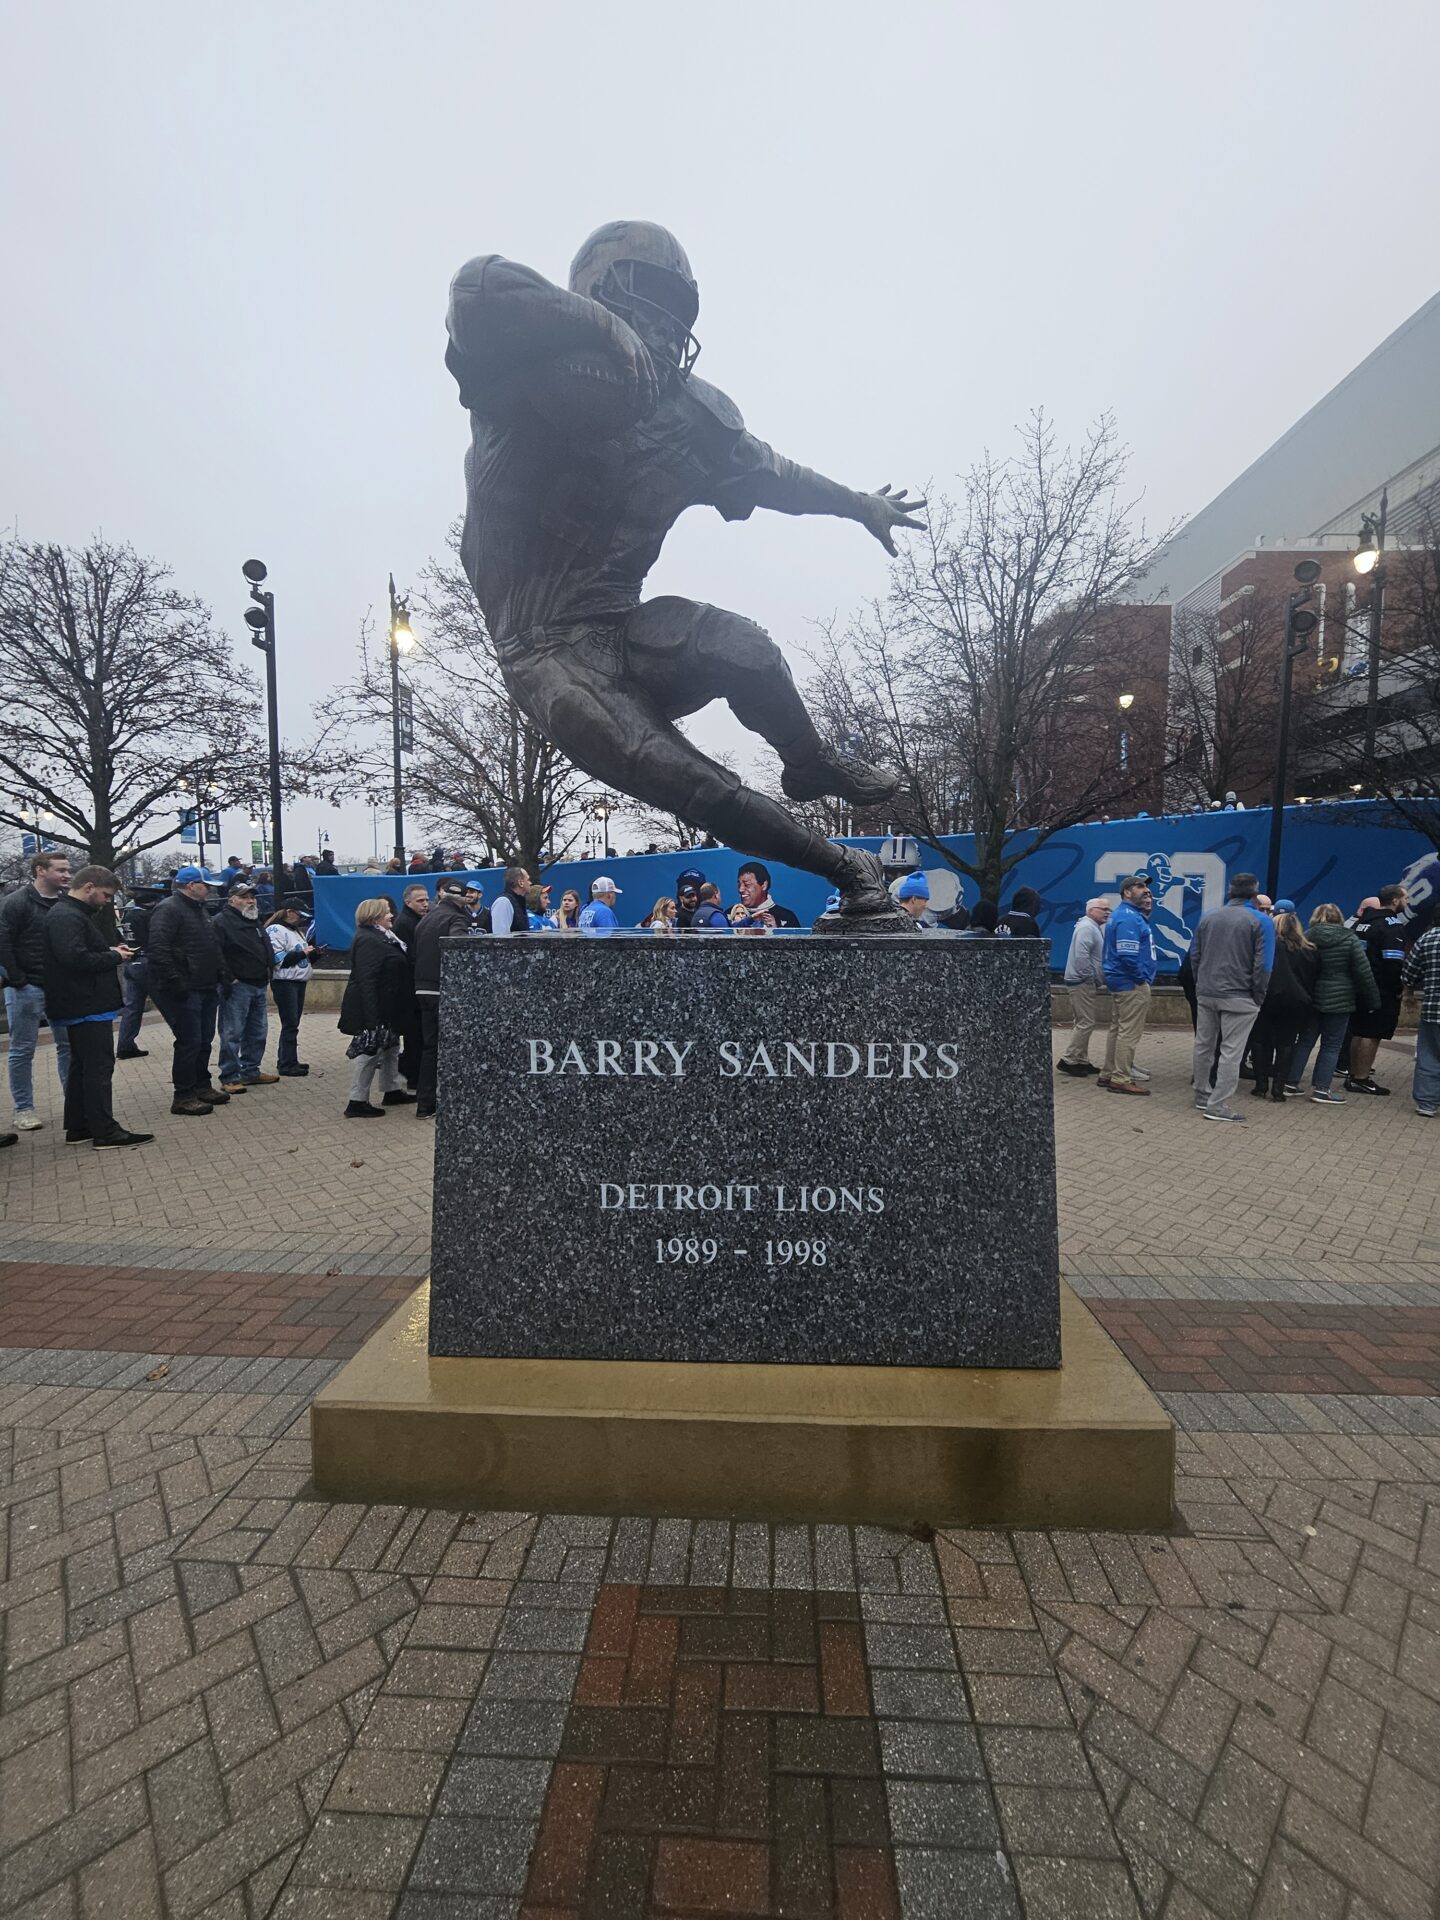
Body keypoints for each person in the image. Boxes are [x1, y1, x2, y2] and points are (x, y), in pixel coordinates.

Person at [446, 223, 924, 921]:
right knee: (698, 783)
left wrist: (860, 506)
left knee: (746, 649)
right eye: (650, 297)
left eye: (679, 306)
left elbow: (777, 475)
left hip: (619, 621)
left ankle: (810, 761)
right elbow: (477, 285)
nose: (668, 325)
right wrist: (606, 334)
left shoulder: (689, 416)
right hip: (542, 648)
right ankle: (845, 869)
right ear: (603, 298)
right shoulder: (522, 380)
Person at [41, 866, 152, 1150]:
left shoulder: (67, 914)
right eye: (105, 895)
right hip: (85, 1002)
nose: (107, 901)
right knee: (98, 1068)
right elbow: (74, 958)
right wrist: (113, 955)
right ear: (89, 887)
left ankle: (79, 1126)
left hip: (79, 1001)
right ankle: (105, 1130)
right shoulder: (68, 916)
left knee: (82, 1067)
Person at [147, 865, 232, 1115]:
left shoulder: (199, 910)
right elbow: (158, 948)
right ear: (191, 885)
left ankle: (201, 1085)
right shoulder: (168, 909)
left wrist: (222, 971)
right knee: (189, 1041)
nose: (209, 890)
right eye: (205, 885)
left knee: (203, 1040)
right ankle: (183, 1095)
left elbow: (211, 945)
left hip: (204, 984)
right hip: (185, 986)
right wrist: (177, 981)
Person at [0, 850, 74, 1130]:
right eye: (61, 870)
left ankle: (73, 1102)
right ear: (40, 871)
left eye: (68, 870)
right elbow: (3, 941)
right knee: (21, 1049)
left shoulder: (67, 903)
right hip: (27, 986)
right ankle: (24, 1109)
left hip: (60, 985)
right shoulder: (15, 903)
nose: (67, 875)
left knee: (68, 1047)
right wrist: (17, 979)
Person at [1189, 872, 1270, 1123]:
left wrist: (1201, 984)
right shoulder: (1260, 920)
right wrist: (1259, 995)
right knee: (1231, 1052)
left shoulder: (1208, 917)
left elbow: (1195, 955)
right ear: (1255, 893)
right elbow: (1263, 965)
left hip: (1207, 991)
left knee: (1204, 1045)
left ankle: (1202, 1094)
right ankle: (1217, 1104)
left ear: (1230, 891)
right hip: (1240, 995)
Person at [1285, 904, 1381, 1104]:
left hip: (1312, 997)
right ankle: (1321, 1090)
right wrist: (1372, 1000)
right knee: (1331, 1045)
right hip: (1341, 999)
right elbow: (1363, 972)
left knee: (1304, 1041)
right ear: (1339, 918)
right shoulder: (1349, 938)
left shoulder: (1307, 937)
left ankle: (1290, 1083)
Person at [337, 899, 414, 1117]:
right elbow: (366, 979)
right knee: (369, 1053)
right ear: (374, 916)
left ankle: (392, 1089)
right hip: (374, 1008)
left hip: (388, 1005)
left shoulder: (382, 936)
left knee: (391, 1048)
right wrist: (372, 1019)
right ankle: (357, 1100)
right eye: (387, 912)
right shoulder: (368, 940)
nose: (392, 915)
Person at [413, 878, 475, 1116]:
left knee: (430, 1046)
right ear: (461, 901)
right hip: (443, 987)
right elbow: (457, 951)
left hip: (422, 986)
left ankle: (424, 1103)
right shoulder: (457, 918)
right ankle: (444, 1100)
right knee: (449, 1047)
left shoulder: (427, 918)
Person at [1346, 882, 1410, 1095]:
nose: (1407, 902)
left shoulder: (1362, 923)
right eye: (1405, 898)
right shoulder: (1392, 925)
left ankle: (1353, 1074)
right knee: (1372, 1034)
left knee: (1358, 1031)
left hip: (1358, 986)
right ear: (1395, 901)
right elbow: (1393, 962)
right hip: (1380, 988)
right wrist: (1398, 987)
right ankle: (1362, 1078)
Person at [214, 881, 279, 1092]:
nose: (250, 901)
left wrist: (270, 967)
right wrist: (229, 978)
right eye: (244, 897)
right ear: (231, 899)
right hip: (238, 985)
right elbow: (217, 953)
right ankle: (230, 1076)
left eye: (252, 897)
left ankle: (251, 1071)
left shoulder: (253, 920)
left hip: (259, 982)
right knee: (232, 1032)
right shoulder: (221, 922)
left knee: (257, 1031)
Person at [1249, 906, 1317, 1101]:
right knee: (1286, 1043)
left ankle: (1261, 1084)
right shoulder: (1309, 950)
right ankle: (1279, 1087)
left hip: (1268, 998)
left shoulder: (1268, 947)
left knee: (1261, 1040)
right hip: (1297, 1002)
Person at [1098, 873, 1156, 1095]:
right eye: (1140, 886)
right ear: (1127, 892)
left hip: (1121, 981)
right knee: (1128, 1032)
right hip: (1130, 982)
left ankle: (1108, 1073)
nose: (1146, 890)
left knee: (1118, 1029)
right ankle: (1121, 1078)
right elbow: (1127, 954)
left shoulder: (1127, 915)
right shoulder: (1129, 918)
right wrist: (1141, 978)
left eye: (1147, 888)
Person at [1058, 897, 1111, 1076]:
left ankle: (1081, 1060)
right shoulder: (1088, 928)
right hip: (1081, 981)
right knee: (1086, 1022)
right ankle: (1069, 1059)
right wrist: (1090, 978)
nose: (1107, 912)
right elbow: (1082, 956)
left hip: (1080, 979)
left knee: (1082, 1021)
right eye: (1103, 909)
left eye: (1108, 909)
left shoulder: (1089, 927)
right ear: (1091, 911)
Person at [266, 904, 315, 1076]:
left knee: (294, 1023)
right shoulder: (275, 930)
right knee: (290, 1024)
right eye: (299, 915)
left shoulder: (295, 931)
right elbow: (280, 960)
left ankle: (290, 1059)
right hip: (285, 982)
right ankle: (286, 1063)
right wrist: (303, 953)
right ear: (289, 912)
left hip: (298, 981)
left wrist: (313, 954)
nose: (301, 919)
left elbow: (302, 958)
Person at [392, 883, 430, 1088]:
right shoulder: (405, 924)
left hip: (414, 987)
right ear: (408, 902)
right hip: (410, 989)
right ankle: (413, 1078)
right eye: (420, 901)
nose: (426, 904)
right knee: (415, 1038)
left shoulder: (417, 921)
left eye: (426, 899)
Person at [1401, 922, 1440, 1117]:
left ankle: (1427, 1103)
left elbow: (1409, 971)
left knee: (1429, 1055)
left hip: (1434, 1009)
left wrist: (1408, 990)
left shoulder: (1428, 938)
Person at [115, 888, 153, 1059]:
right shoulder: (145, 916)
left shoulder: (129, 915)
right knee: (170, 1004)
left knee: (132, 1007)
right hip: (147, 960)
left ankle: (125, 1044)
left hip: (133, 961)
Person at [733, 861, 801, 930]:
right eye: (739, 884)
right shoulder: (730, 914)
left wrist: (776, 930)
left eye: (747, 884)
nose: (740, 889)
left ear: (764, 885)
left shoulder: (786, 917)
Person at [490, 865, 532, 935]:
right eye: (528, 880)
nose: (530, 883)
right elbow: (501, 938)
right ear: (520, 883)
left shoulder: (519, 901)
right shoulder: (503, 902)